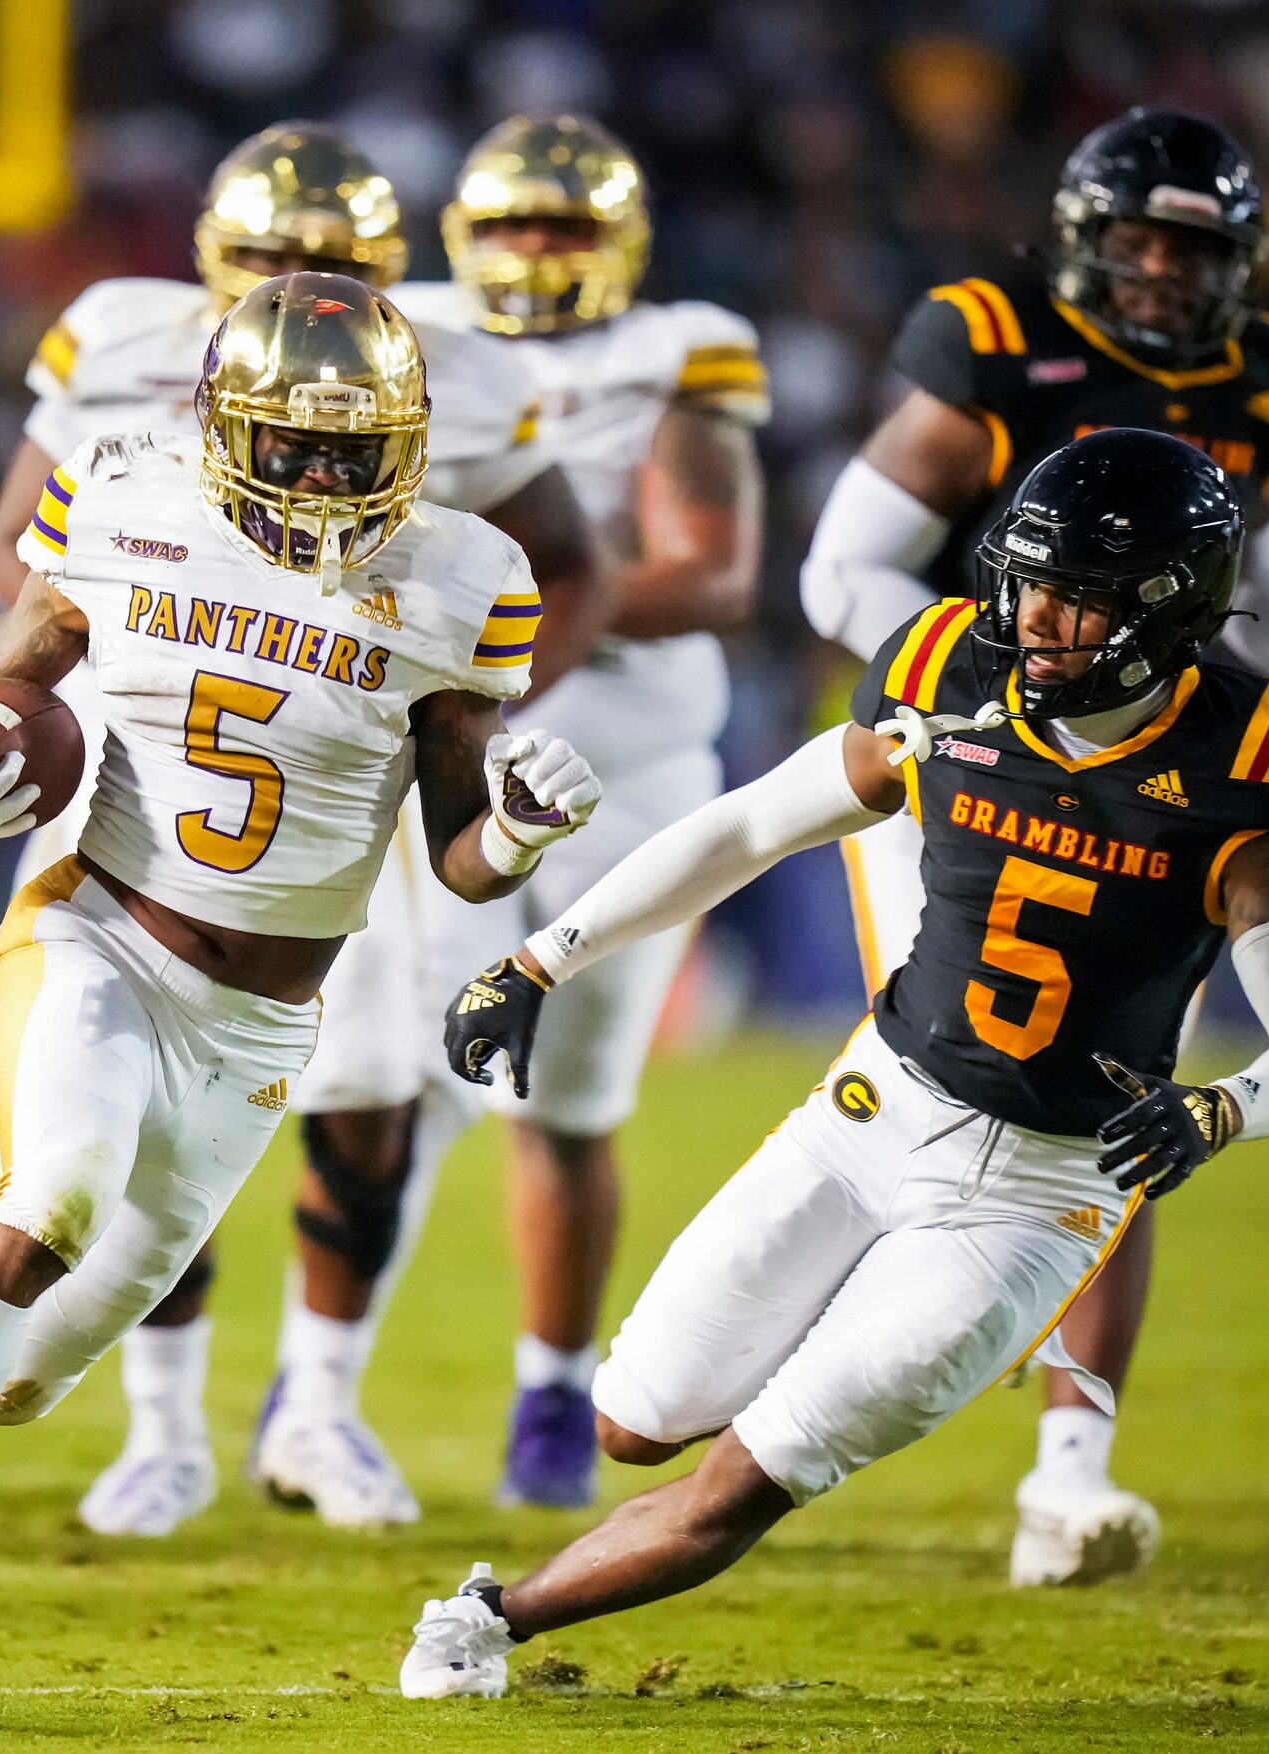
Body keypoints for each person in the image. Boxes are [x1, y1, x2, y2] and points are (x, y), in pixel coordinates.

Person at [404, 429, 1269, 1696]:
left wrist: (1223, 1109)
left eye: (1078, 595)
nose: (1037, 615)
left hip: (1036, 1195)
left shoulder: (1251, 753)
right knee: (633, 1421)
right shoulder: (952, 669)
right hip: (870, 1109)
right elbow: (748, 825)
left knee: (750, 1474)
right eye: (1029, 579)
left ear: (1167, 611)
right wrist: (539, 961)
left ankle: (488, 1623)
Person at [0, 273, 601, 1683]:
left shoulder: (463, 572)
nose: (329, 473)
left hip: (262, 1015)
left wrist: (517, 832)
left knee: (30, 1373)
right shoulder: (124, 498)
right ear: (225, 424)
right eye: (296, 441)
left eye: (359, 445)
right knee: (55, 1191)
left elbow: (458, 850)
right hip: (94, 925)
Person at [0, 120, 600, 1537]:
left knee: (373, 1102)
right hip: (151, 765)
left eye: (327, 259)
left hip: (335, 797)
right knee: (120, 1109)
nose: (294, 280)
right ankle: (159, 1427)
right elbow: (19, 549)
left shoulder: (449, 367)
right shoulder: (122, 343)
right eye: (263, 254)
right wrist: (47, 682)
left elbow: (565, 567)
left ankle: (316, 1405)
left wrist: (444, 731)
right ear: (210, 252)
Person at [800, 108, 1269, 1586]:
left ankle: (1069, 1469)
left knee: (1112, 1085)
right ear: (1079, 238)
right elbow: (838, 565)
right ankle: (810, 1337)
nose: (1163, 271)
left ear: (1238, 259)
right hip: (967, 760)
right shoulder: (990, 342)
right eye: (1136, 238)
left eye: (1192, 245)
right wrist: (972, 697)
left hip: (1148, 770)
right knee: (953, 1067)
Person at [367, 112, 766, 1510]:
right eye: (517, 226)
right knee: (393, 1077)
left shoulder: (676, 350)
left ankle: (549, 1384)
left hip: (628, 771)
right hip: (436, 755)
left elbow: (709, 572)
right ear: (462, 236)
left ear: (624, 244)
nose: (539, 253)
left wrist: (501, 622)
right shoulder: (396, 326)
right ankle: (319, 1386)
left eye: (568, 228)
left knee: (568, 1100)